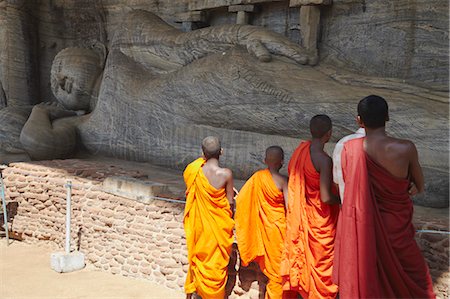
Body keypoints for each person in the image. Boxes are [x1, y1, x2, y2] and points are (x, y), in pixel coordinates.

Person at [332, 95, 435, 298]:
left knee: (369, 275)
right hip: (397, 225)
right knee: (415, 279)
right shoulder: (405, 148)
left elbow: (344, 187)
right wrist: (408, 186)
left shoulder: (349, 149)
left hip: (364, 227)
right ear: (387, 117)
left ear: (359, 120)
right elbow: (419, 185)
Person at [280, 115, 340, 299]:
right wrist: (343, 199)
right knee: (321, 265)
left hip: (304, 215)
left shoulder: (301, 151)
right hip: (320, 220)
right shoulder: (324, 160)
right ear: (329, 134)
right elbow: (326, 197)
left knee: (304, 262)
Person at [183, 136, 235, 299]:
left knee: (200, 260)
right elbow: (230, 204)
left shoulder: (195, 170)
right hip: (218, 228)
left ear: (202, 153)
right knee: (216, 266)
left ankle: (197, 292)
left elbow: (192, 193)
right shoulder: (226, 174)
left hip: (201, 228)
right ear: (221, 152)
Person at [235, 146, 288, 299]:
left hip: (265, 229)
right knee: (278, 275)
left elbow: (242, 200)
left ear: (265, 161)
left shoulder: (257, 177)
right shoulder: (284, 180)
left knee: (272, 273)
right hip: (279, 229)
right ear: (282, 162)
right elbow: (290, 207)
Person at [332, 125, 365, 202]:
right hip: (377, 209)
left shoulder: (342, 142)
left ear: (358, 120)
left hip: (348, 205)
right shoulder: (388, 146)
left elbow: (336, 181)